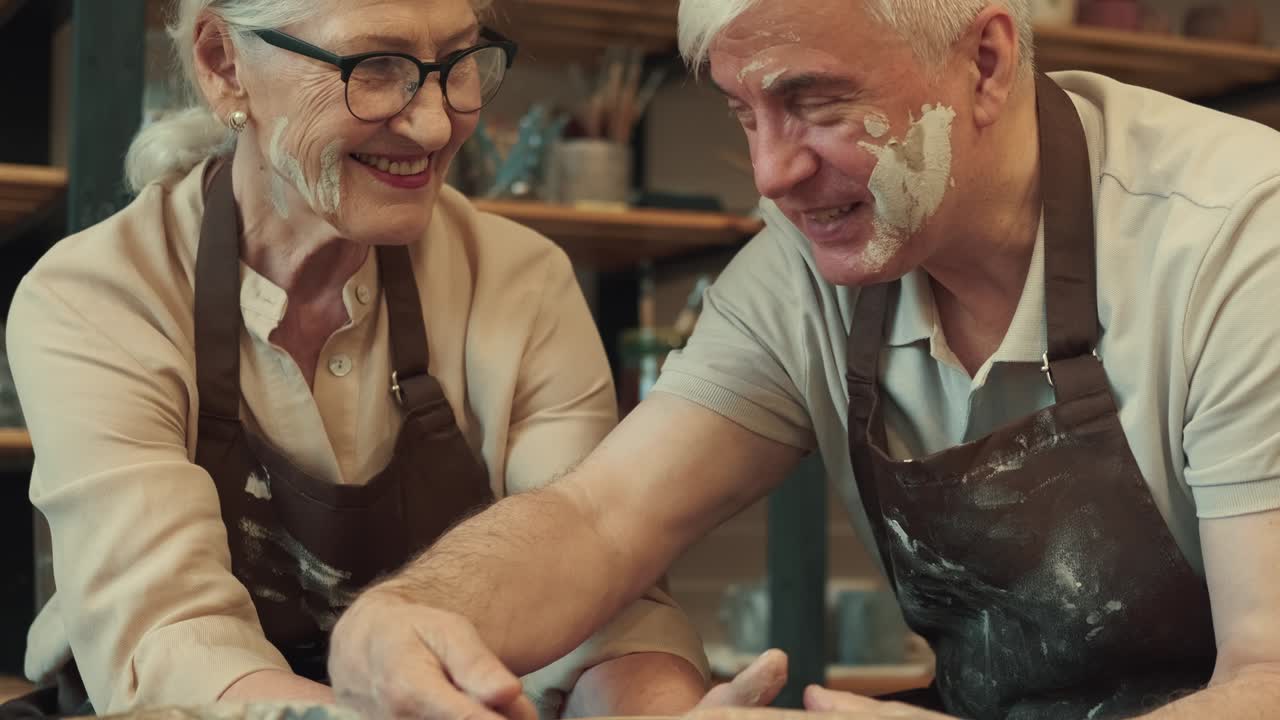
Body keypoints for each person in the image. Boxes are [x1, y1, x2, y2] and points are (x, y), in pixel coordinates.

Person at [321, 0, 1280, 718]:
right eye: (744, 113)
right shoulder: (806, 276)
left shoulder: (1239, 240)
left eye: (813, 103)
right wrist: (409, 611)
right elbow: (604, 515)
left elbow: (1268, 674)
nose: (772, 174)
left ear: (986, 62)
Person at [0, 0, 786, 717]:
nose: (436, 125)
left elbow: (602, 604)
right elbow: (174, 644)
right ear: (222, 63)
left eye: (459, 63)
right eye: (374, 68)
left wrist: (657, 712)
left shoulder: (520, 284)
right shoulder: (98, 296)